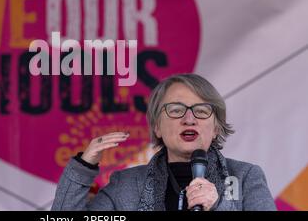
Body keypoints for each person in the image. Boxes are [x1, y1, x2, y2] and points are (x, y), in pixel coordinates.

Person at [51, 73, 276, 211]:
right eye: (176, 110)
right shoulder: (127, 184)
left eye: (201, 111)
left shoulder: (245, 177)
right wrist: (83, 167)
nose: (189, 119)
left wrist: (219, 206)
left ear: (216, 128)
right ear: (157, 126)